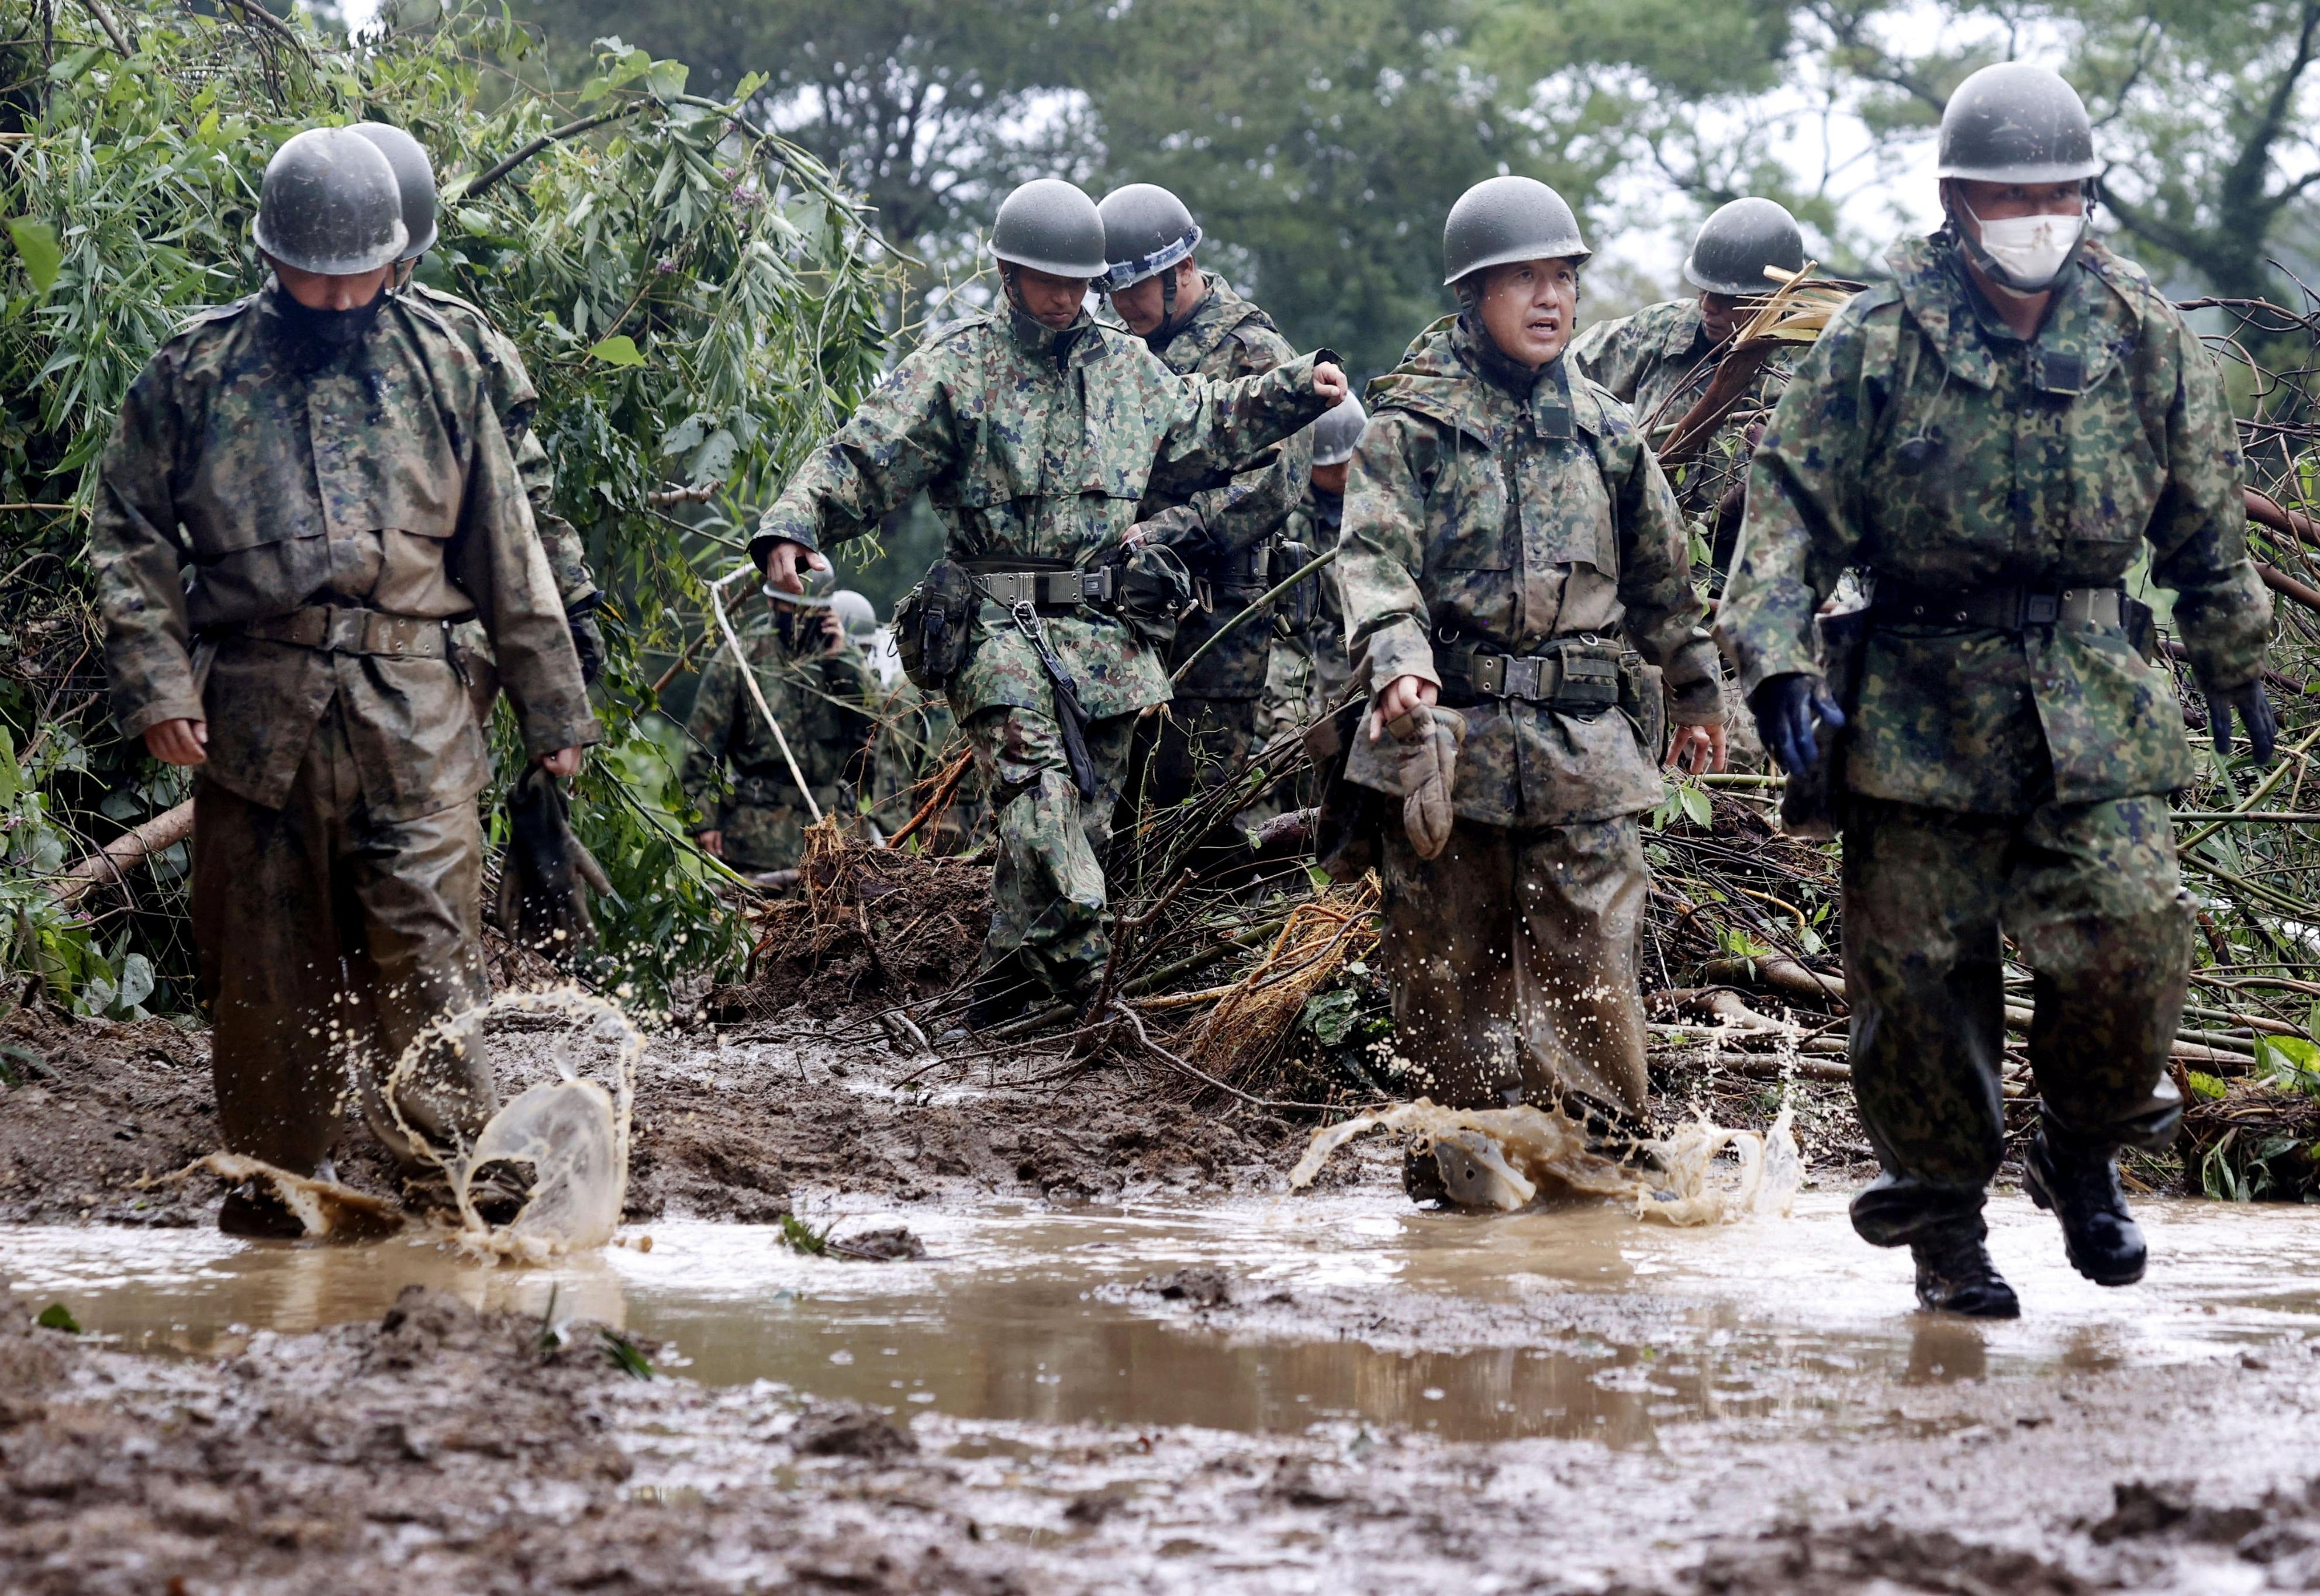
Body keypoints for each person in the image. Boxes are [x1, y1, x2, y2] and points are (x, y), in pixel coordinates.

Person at [1717, 63, 2273, 1318]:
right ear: (1958, 199)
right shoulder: (1875, 338)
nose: (2038, 215)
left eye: (2059, 194)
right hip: (1916, 703)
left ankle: (2078, 1147)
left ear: (2086, 197)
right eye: (2010, 194)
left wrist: (2232, 650)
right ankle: (1946, 1227)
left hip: (2091, 698)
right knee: (1913, 984)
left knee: (2133, 940)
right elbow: (1785, 519)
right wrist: (1774, 667)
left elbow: (2202, 519)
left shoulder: (2139, 333)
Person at [90, 128, 596, 1234]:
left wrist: (551, 705)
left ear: (397, 260)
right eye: (308, 273)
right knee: (265, 987)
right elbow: (126, 532)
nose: (331, 295)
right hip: (253, 723)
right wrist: (159, 684)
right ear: (270, 257)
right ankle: (273, 1202)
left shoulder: (446, 365)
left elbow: (506, 543)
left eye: (354, 274)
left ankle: (453, 1197)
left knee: (429, 968)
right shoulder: (194, 370)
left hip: (415, 722)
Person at [752, 178, 1348, 1028]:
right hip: (994, 623)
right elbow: (863, 454)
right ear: (1007, 271)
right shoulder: (957, 369)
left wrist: (1297, 388)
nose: (1070, 298)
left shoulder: (1126, 371)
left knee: (1084, 828)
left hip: (1101, 633)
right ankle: (1087, 990)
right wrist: (794, 521)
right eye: (1051, 280)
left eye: (1082, 281)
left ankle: (998, 998)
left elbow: (1208, 421)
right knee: (1038, 800)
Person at [1334, 175, 1727, 1201]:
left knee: (1592, 975)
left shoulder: (1604, 430)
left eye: (1561, 278)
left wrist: (1694, 693)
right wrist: (1395, 658)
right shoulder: (1406, 428)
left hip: (1582, 749)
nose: (1549, 299)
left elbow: (1660, 580)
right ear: (1474, 294)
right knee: (1442, 982)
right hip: (1441, 740)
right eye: (1524, 280)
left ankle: (1591, 1193)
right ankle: (1455, 1188)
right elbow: (1372, 560)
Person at [347, 122, 606, 704]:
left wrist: (571, 602)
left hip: (430, 643)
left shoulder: (459, 342)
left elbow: (518, 493)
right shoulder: (262, 340)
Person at [1097, 184, 1311, 807]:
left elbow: (1272, 484)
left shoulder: (1255, 353)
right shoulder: (1119, 352)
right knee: (1114, 796)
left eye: (1134, 287)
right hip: (1125, 616)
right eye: (1110, 289)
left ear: (1182, 270)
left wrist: (1167, 529)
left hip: (1214, 621)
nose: (1121, 304)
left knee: (1194, 800)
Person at [1568, 197, 1805, 566]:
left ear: (1773, 299)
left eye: (1728, 298)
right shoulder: (1663, 330)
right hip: (1639, 549)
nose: (1708, 306)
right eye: (1703, 289)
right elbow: (1560, 371)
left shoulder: (1805, 372)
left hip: (1742, 571)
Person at [681, 575, 879, 876]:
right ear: (773, 602)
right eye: (795, 609)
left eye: (812, 611)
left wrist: (844, 660)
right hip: (757, 838)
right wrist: (703, 821)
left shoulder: (838, 658)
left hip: (831, 837)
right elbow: (704, 743)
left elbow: (876, 723)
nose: (802, 620)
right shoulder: (741, 657)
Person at [1252, 394, 1364, 817]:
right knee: (1289, 742)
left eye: (1350, 459)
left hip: (1357, 652)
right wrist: (1288, 708)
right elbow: (1278, 623)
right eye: (1332, 465)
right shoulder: (1285, 511)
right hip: (1294, 649)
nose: (1344, 472)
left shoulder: (1384, 501)